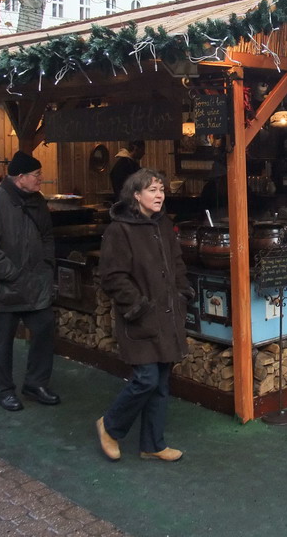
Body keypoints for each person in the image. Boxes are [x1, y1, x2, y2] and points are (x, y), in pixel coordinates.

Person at [96, 167, 194, 463]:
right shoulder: (119, 229)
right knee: (146, 380)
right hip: (141, 318)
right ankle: (110, 426)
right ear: (135, 195)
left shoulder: (163, 225)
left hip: (167, 315)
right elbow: (112, 277)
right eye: (152, 190)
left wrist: (182, 292)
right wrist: (138, 306)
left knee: (161, 382)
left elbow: (176, 263)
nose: (159, 195)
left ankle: (152, 444)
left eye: (161, 190)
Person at [0, 150, 59, 412]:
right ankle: (5, 390)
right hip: (3, 287)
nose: (41, 178)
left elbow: (46, 235)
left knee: (43, 330)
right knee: (2, 342)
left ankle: (36, 384)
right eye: (37, 175)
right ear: (21, 177)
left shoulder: (37, 200)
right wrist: (10, 273)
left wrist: (47, 264)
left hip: (35, 285)